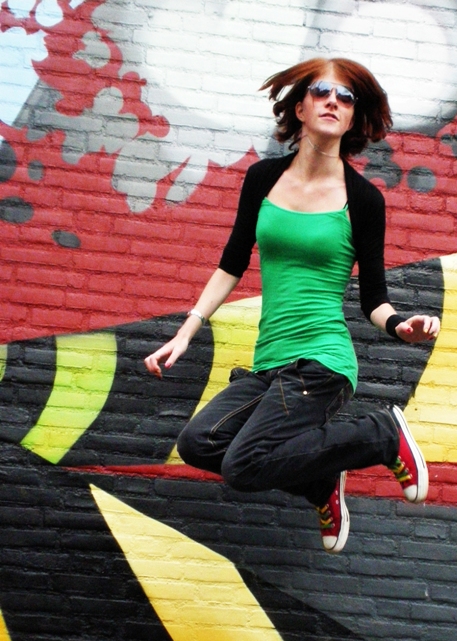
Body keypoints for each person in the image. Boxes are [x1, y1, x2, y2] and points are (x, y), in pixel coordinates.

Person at [145, 57, 440, 554]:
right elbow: (231, 263)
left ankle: (381, 434)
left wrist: (399, 326)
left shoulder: (363, 200)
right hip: (270, 363)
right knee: (198, 443)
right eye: (322, 91)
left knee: (243, 466)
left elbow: (373, 298)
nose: (333, 102)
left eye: (346, 97)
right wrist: (186, 331)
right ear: (300, 107)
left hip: (321, 363)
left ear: (352, 116)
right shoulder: (263, 178)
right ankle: (319, 483)